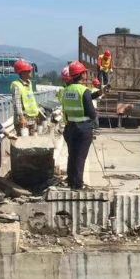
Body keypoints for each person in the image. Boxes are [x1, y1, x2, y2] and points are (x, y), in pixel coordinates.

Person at [61, 61, 96, 190]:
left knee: (72, 155)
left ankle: (71, 181)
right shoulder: (83, 90)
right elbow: (92, 113)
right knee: (81, 157)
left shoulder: (66, 90)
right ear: (82, 74)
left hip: (70, 127)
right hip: (83, 128)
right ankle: (77, 185)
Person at [11, 59, 41, 135]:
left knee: (33, 142)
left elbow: (31, 101)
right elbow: (17, 104)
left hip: (32, 119)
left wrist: (37, 114)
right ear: (23, 72)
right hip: (23, 120)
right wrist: (22, 118)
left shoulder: (29, 84)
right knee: (23, 144)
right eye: (29, 70)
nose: (31, 72)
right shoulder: (17, 86)